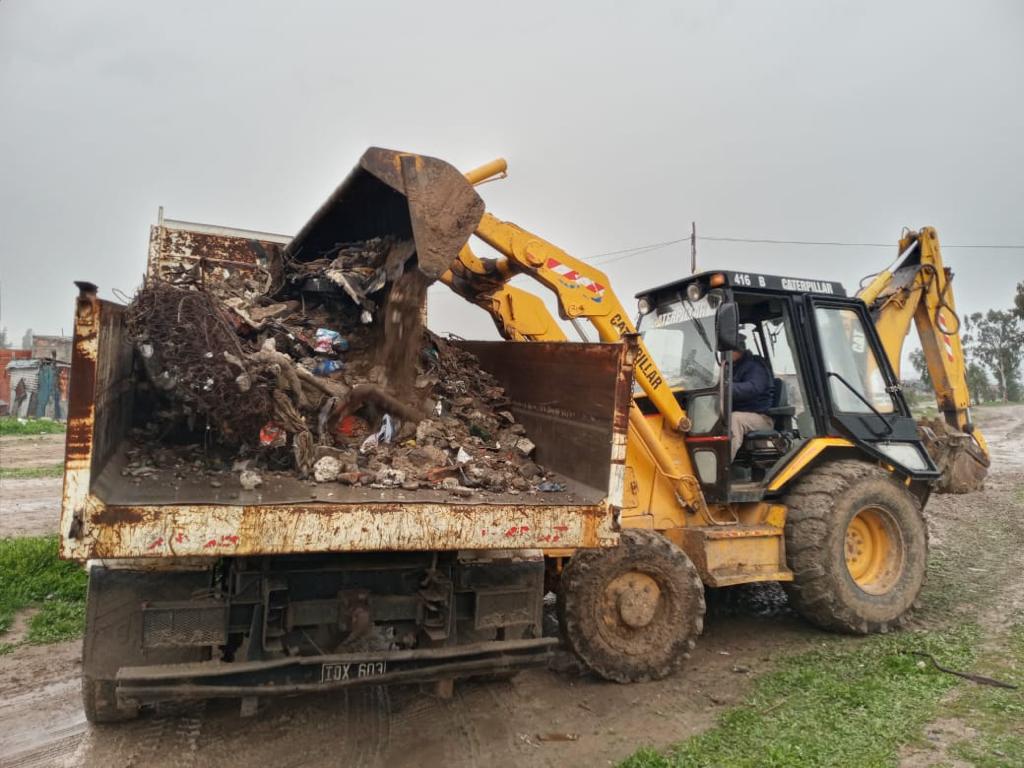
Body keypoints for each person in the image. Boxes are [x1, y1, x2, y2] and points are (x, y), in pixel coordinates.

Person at [730, 335, 774, 460]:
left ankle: (721, 465)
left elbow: (754, 387)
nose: (723, 355)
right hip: (745, 414)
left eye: (727, 351)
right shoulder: (734, 367)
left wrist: (727, 388)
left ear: (738, 350)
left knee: (735, 419)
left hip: (761, 417)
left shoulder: (754, 366)